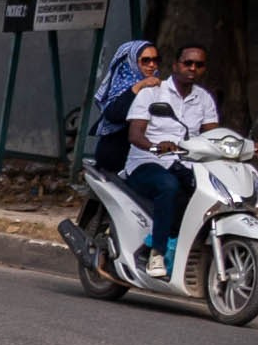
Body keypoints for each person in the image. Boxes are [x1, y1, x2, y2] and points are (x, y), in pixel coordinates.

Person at [124, 44, 221, 278]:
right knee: (169, 186)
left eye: (199, 65)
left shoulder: (203, 98)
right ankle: (155, 253)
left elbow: (214, 135)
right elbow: (135, 134)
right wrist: (157, 146)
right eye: (188, 63)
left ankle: (188, 248)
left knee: (211, 192)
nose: (192, 68)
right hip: (147, 162)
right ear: (176, 65)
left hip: (186, 164)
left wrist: (246, 145)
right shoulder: (152, 93)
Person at [88, 39, 163, 178]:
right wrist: (138, 86)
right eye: (145, 60)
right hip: (116, 154)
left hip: (148, 155)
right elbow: (113, 114)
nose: (152, 65)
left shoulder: (159, 86)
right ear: (132, 61)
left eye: (155, 60)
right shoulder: (121, 84)